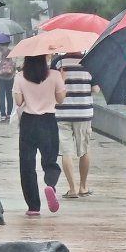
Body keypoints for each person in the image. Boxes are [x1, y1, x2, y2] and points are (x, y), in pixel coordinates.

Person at [12, 54, 66, 216]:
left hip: (29, 122)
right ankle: (50, 184)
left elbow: (19, 102)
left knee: (27, 165)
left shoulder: (20, 77)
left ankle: (33, 206)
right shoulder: (55, 75)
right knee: (50, 160)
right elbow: (60, 99)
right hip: (48, 121)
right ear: (44, 59)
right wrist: (62, 80)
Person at [51, 52, 100, 198]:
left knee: (66, 151)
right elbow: (96, 89)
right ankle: (83, 187)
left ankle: (72, 189)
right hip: (83, 113)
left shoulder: (58, 63)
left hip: (62, 113)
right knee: (84, 149)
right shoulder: (91, 62)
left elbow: (53, 86)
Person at [0, 42, 16, 122]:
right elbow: (15, 64)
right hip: (10, 76)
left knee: (1, 95)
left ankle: (3, 115)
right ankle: (9, 114)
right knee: (9, 95)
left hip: (0, 77)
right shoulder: (12, 51)